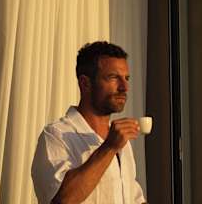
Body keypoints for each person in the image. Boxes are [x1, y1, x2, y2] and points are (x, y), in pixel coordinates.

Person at [31, 41, 147, 204]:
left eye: (126, 78)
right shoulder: (55, 136)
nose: (124, 87)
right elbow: (62, 200)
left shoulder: (121, 141)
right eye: (113, 77)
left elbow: (133, 197)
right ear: (85, 83)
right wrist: (109, 147)